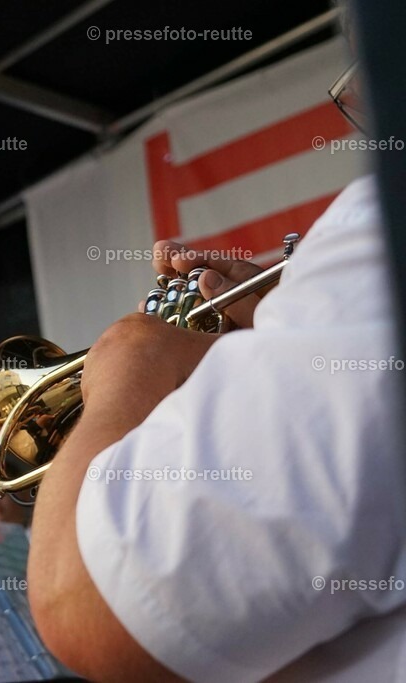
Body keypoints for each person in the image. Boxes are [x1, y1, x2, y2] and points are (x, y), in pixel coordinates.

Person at [27, 9, 406, 680]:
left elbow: (80, 599)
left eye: (364, 68)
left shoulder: (382, 231)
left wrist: (127, 368)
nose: (361, 103)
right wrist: (277, 336)